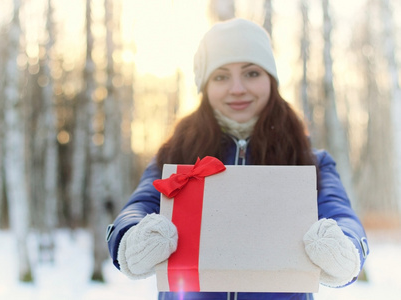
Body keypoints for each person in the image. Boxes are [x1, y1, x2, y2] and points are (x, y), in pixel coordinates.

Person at [106, 18, 369, 300]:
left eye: (251, 73)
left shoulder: (310, 161)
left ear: (271, 79)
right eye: (220, 76)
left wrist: (344, 249)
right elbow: (137, 208)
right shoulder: (176, 154)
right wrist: (131, 239)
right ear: (205, 87)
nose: (237, 88)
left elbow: (341, 214)